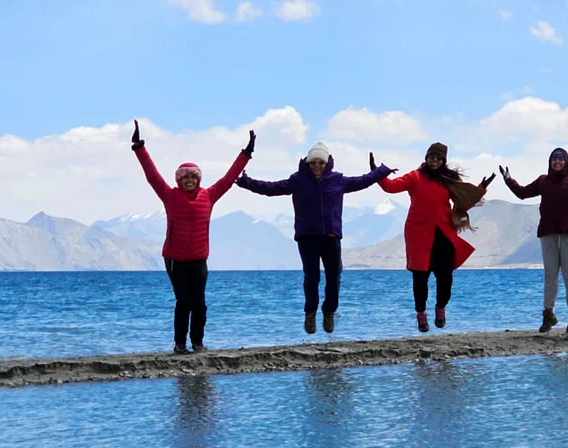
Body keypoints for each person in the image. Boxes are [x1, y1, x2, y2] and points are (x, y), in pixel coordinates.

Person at [236, 141, 393, 334]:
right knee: (312, 277)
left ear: (327, 163)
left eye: (320, 162)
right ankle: (310, 313)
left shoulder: (338, 180)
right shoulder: (298, 180)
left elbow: (362, 181)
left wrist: (382, 171)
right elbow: (271, 188)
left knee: (334, 276)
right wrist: (246, 182)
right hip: (307, 237)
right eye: (313, 162)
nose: (317, 166)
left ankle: (329, 312)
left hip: (331, 236)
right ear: (308, 163)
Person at [131, 120, 255, 353]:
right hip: (175, 259)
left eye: (193, 177)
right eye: (185, 177)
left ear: (199, 179)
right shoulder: (170, 196)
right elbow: (152, 176)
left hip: (198, 259)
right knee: (184, 302)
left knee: (199, 305)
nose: (189, 180)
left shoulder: (209, 196)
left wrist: (246, 153)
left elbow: (229, 179)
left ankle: (197, 343)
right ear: (179, 180)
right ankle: (179, 344)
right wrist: (139, 147)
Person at [372, 143, 495, 332]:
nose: (434, 160)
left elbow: (462, 204)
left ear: (443, 160)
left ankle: (440, 308)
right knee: (420, 278)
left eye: (438, 158)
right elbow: (391, 187)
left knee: (445, 277)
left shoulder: (448, 180)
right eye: (431, 157)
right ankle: (421, 315)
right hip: (418, 234)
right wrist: (377, 172)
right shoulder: (414, 176)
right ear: (426, 158)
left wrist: (480, 188)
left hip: (443, 233)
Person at [499, 148, 568, 334]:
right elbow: (522, 193)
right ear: (550, 162)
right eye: (554, 159)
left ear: (566, 162)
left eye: (560, 159)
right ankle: (548, 315)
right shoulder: (543, 181)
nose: (557, 162)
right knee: (550, 276)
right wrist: (508, 180)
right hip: (547, 233)